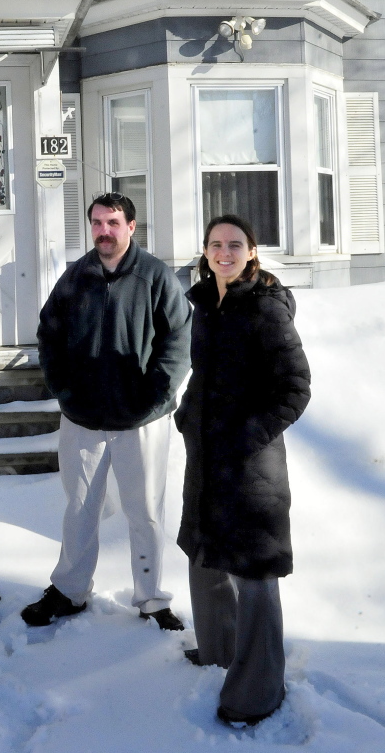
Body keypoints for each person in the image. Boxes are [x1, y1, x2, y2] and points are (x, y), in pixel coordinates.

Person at [21, 193, 192, 629]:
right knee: (80, 507)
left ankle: (152, 598)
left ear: (131, 227)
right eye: (97, 222)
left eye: (113, 222)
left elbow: (179, 343)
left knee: (145, 510)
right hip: (84, 419)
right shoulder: (75, 277)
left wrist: (154, 397)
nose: (104, 231)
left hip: (143, 420)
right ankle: (70, 590)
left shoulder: (155, 276)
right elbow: (49, 336)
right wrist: (65, 392)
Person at [174, 214, 311, 728]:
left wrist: (246, 436)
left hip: (252, 472)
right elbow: (205, 374)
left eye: (235, 245)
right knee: (205, 559)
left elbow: (296, 388)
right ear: (205, 252)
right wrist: (190, 414)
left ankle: (256, 692)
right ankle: (218, 652)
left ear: (252, 252)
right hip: (208, 460)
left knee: (253, 576)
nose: (224, 252)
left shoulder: (265, 310)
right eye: (215, 245)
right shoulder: (209, 303)